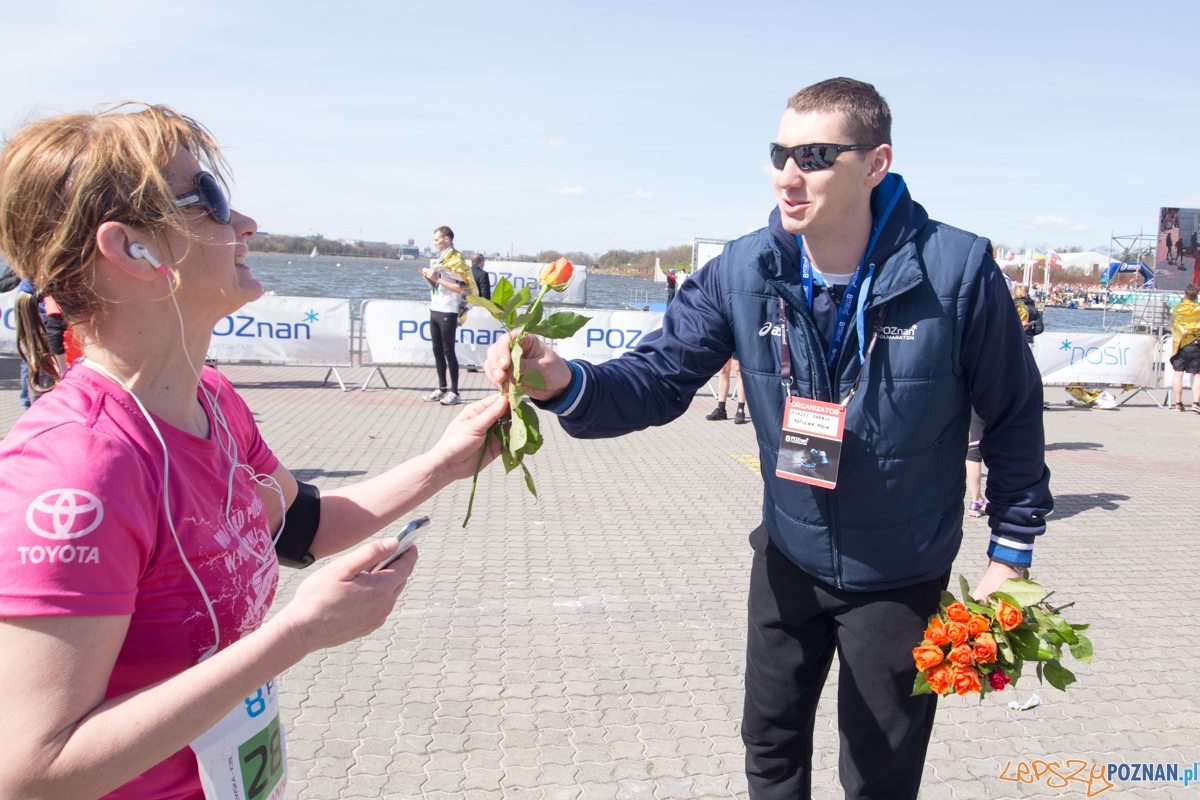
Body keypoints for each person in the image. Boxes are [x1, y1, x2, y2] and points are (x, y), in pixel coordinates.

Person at [484, 78, 1052, 800]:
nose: (790, 172)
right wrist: (564, 381)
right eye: (779, 152)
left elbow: (1013, 416)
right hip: (788, 554)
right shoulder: (744, 269)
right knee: (770, 744)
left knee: (879, 771)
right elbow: (659, 377)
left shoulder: (958, 270)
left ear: (875, 164)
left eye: (815, 154)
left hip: (901, 576)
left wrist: (1010, 557)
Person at [0, 103, 508, 800]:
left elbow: (302, 525)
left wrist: (448, 462)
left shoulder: (211, 400)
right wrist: (296, 633)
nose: (244, 225)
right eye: (208, 199)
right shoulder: (77, 469)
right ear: (130, 251)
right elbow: (32, 772)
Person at [420, 226, 477, 406]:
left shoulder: (457, 259)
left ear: (447, 239)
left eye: (437, 240)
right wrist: (429, 277)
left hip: (449, 310)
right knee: (437, 350)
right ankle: (442, 388)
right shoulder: (441, 259)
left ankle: (455, 392)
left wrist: (437, 279)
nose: (434, 243)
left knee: (448, 351)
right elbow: (439, 285)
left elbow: (462, 289)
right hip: (435, 307)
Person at [1169, 283, 1200, 412]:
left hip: (1180, 343)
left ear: (1185, 295)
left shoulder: (1177, 308)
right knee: (1197, 374)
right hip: (1195, 344)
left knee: (1178, 374)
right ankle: (1195, 403)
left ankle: (1178, 404)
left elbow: (1174, 324)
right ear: (1196, 296)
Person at [706, 356, 749, 424]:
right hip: (726, 345)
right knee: (723, 370)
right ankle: (721, 409)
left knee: (739, 371)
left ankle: (740, 410)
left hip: (739, 345)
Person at [965, 409, 986, 516]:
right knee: (1000, 448)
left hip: (978, 402)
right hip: (1002, 400)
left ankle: (976, 500)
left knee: (974, 449)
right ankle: (999, 499)